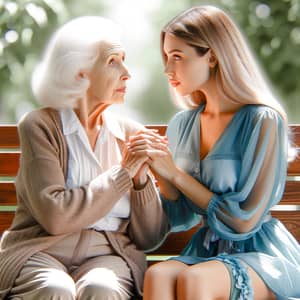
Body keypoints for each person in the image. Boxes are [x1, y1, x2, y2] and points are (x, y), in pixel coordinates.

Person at [0, 16, 169, 300]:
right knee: (54, 289)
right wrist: (123, 174)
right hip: (40, 250)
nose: (127, 73)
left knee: (100, 289)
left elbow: (149, 238)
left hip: (108, 254)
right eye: (113, 61)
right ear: (80, 72)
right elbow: (55, 217)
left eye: (125, 60)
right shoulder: (40, 126)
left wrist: (140, 183)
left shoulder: (130, 134)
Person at [140, 5, 300, 300]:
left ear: (212, 56)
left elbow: (243, 221)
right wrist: (159, 171)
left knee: (196, 279)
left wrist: (176, 173)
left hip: (261, 254)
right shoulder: (182, 124)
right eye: (166, 57)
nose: (168, 69)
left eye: (177, 57)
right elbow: (180, 218)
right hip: (207, 250)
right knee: (158, 274)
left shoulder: (262, 121)